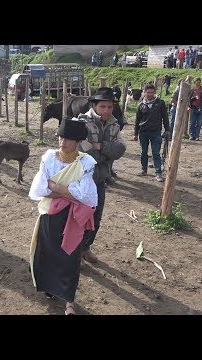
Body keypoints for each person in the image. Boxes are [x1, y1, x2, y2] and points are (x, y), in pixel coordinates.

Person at [29, 117, 98, 315]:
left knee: (70, 256)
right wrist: (66, 191)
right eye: (61, 137)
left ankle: (69, 301)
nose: (63, 142)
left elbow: (86, 194)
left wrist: (55, 186)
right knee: (48, 252)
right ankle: (51, 288)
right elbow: (40, 187)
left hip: (73, 217)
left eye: (68, 138)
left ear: (78, 141)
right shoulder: (49, 158)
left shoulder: (86, 162)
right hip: (50, 215)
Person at [78, 87, 126, 265]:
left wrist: (100, 146)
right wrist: (107, 151)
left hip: (100, 178)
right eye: (103, 106)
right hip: (82, 179)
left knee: (96, 218)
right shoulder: (82, 122)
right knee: (80, 217)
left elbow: (120, 149)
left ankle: (85, 248)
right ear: (94, 105)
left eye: (110, 107)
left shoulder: (114, 124)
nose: (107, 110)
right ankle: (76, 252)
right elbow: (83, 151)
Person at [133, 84, 170, 182]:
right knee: (143, 152)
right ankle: (144, 169)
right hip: (143, 132)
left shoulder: (160, 103)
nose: (150, 94)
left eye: (152, 92)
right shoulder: (141, 105)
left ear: (155, 93)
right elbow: (137, 120)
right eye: (148, 92)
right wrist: (135, 133)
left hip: (156, 132)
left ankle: (158, 173)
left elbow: (165, 118)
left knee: (156, 152)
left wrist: (167, 130)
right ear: (144, 93)